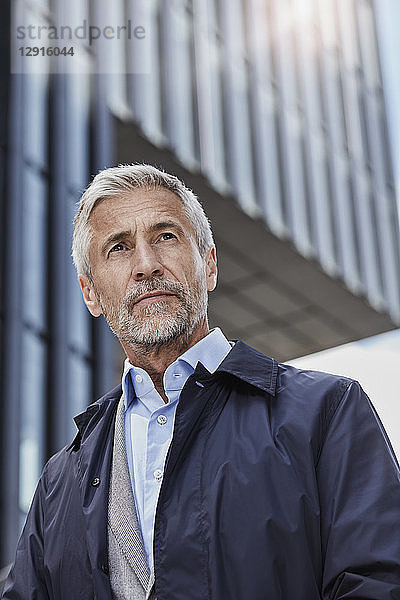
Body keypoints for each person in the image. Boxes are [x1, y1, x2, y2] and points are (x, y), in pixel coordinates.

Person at [3, 164, 400, 600]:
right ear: (90, 292)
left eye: (166, 237)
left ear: (209, 263)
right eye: (118, 248)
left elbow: (379, 584)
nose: (146, 265)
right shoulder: (60, 482)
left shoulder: (327, 412)